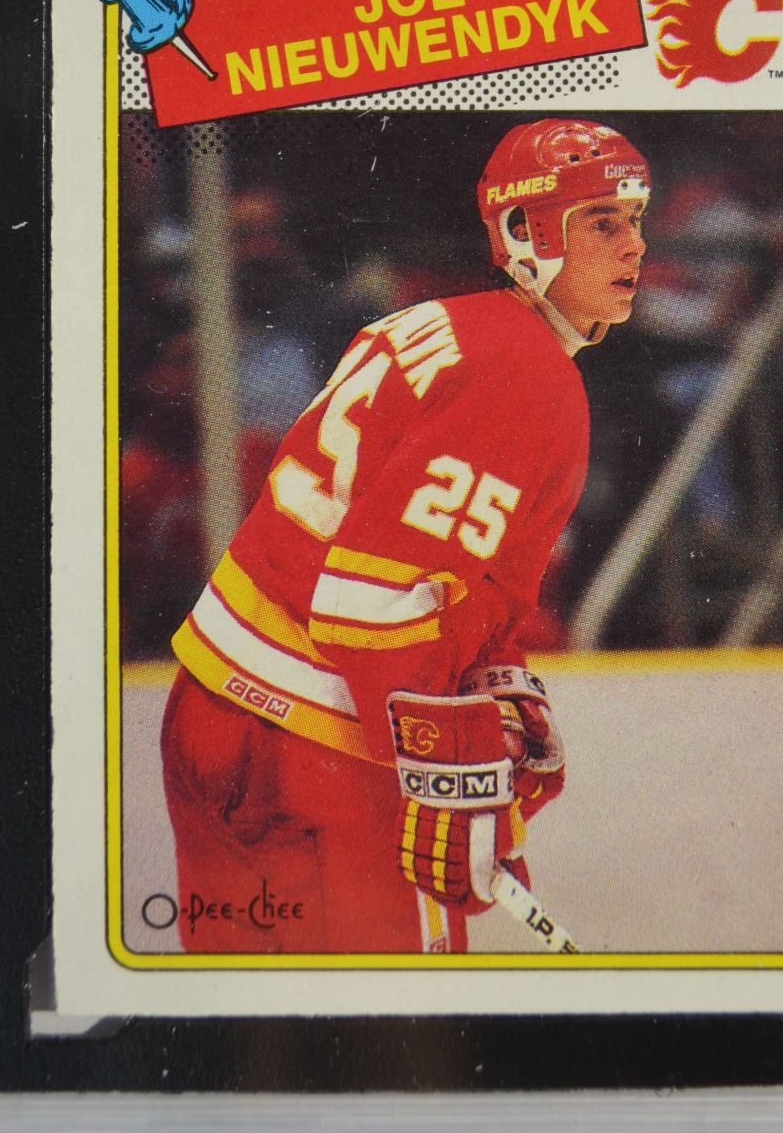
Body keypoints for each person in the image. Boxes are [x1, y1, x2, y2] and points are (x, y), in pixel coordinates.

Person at [160, 118, 650, 955]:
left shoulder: (427, 323)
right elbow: (371, 598)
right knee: (393, 1027)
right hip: (323, 753)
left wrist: (493, 678)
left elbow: (404, 560)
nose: (635, 246)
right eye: (603, 222)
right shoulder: (528, 373)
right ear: (524, 231)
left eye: (636, 220)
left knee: (248, 1020)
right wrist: (450, 772)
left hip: (212, 707)